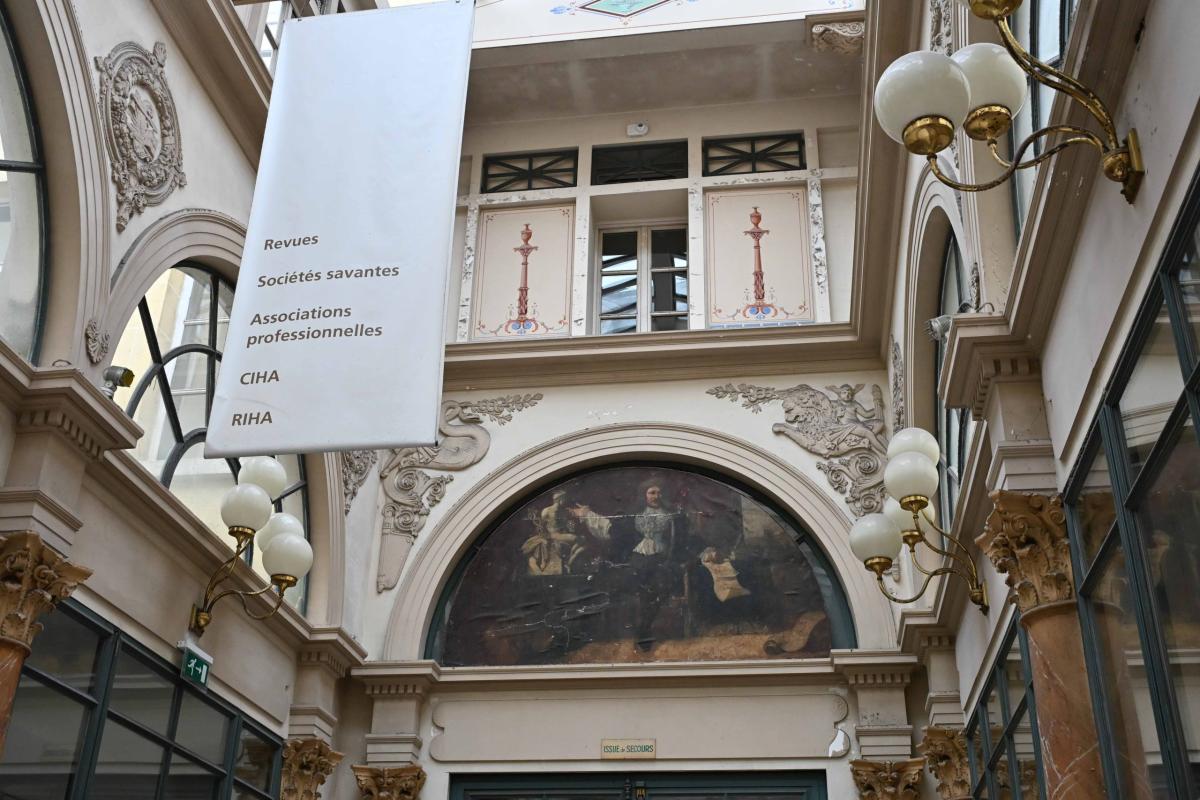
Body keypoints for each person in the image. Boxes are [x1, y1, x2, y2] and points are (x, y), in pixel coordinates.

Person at [630, 478, 678, 649]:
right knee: (645, 592)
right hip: (640, 556)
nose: (656, 496)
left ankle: (644, 628)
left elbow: (674, 540)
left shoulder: (669, 516)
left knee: (658, 589)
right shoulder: (637, 514)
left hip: (661, 556)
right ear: (644, 495)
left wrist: (668, 557)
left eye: (659, 493)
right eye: (652, 492)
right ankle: (644, 630)